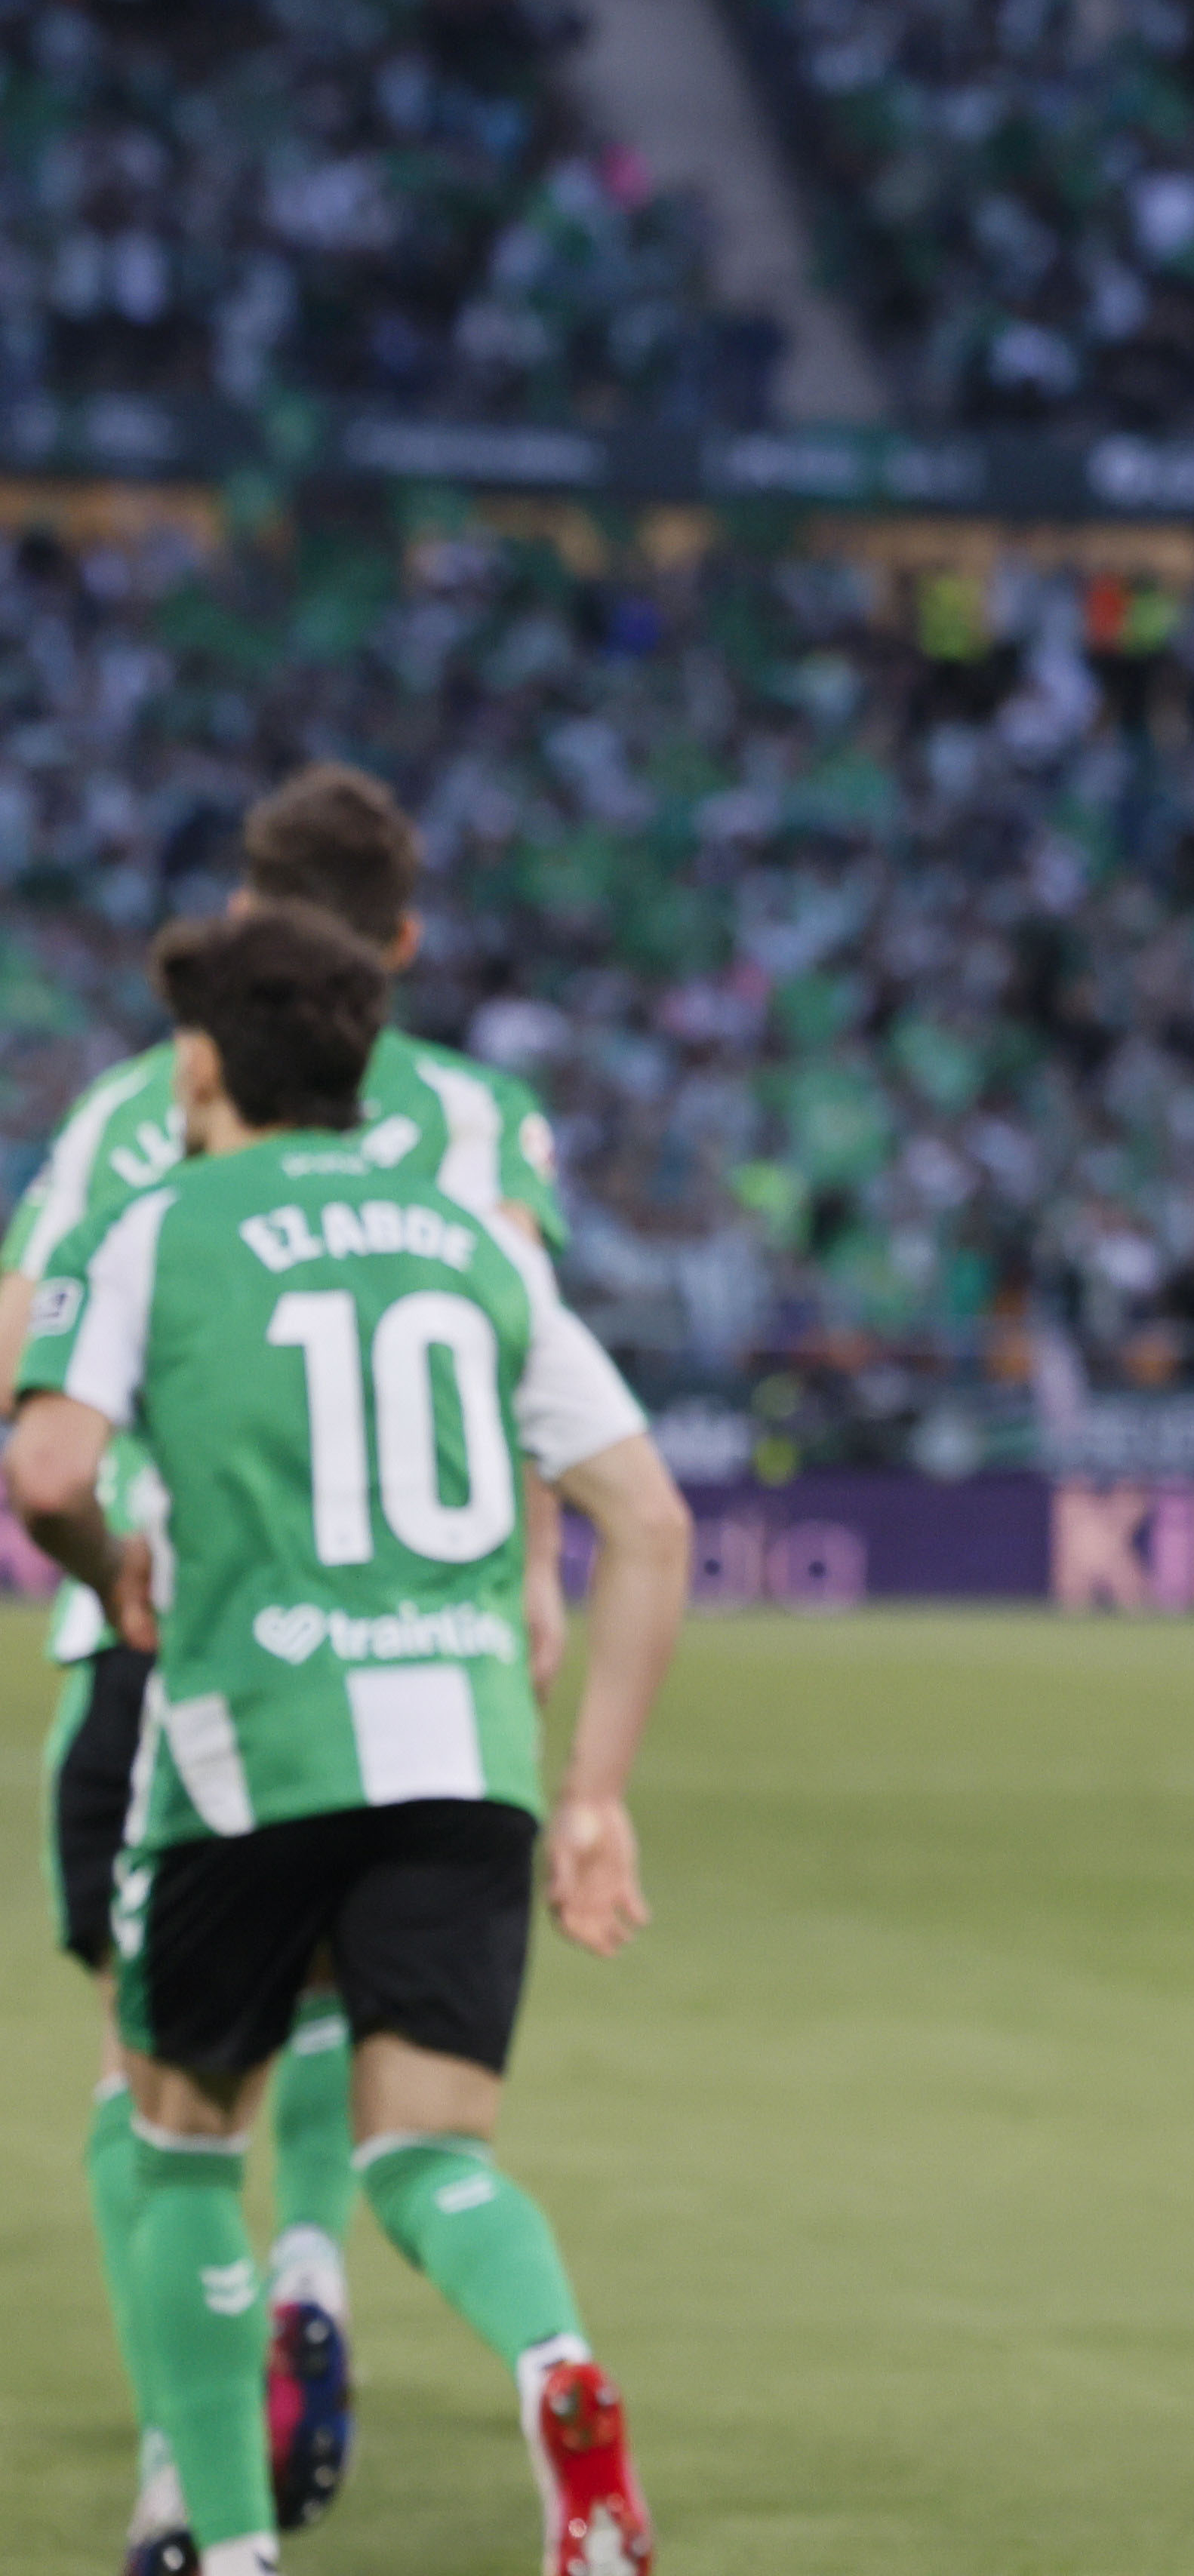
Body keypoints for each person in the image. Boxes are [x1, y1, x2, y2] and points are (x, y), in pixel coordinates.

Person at [9, 902, 694, 2576]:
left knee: (174, 2142)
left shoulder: (155, 1226)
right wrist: (595, 1789)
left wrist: (117, 1569)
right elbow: (650, 1518)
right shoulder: (474, 1242)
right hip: (467, 1752)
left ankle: (230, 2545)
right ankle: (560, 2370)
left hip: (252, 1748)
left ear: (203, 1063)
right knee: (429, 2155)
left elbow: (45, 1473)